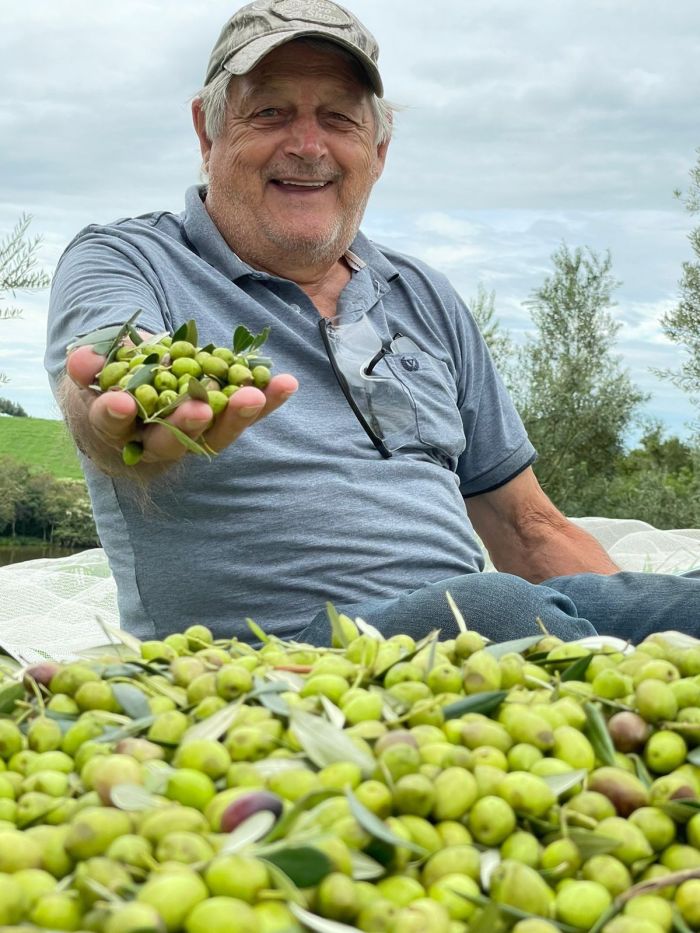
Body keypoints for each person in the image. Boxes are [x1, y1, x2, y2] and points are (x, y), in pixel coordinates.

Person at [45, 0, 699, 646]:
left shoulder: (422, 296)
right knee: (493, 608)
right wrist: (129, 408)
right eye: (271, 112)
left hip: (470, 634)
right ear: (207, 131)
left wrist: (640, 621)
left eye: (338, 118)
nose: (307, 146)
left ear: (379, 147)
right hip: (283, 662)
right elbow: (103, 375)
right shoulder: (127, 259)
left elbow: (529, 527)